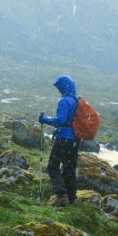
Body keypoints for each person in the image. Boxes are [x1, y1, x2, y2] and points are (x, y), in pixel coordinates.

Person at [39, 75, 80, 207]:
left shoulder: (64, 101)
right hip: (74, 140)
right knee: (69, 168)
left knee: (53, 166)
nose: (59, 90)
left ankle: (61, 196)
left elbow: (61, 121)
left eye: (59, 87)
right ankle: (72, 198)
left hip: (63, 138)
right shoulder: (76, 101)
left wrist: (44, 119)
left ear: (64, 86)